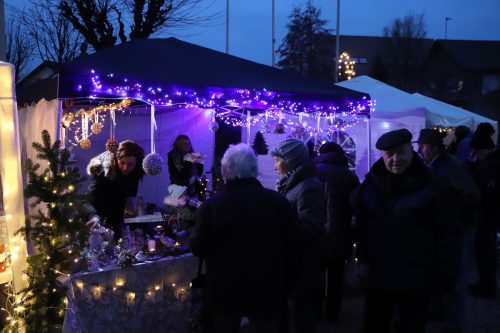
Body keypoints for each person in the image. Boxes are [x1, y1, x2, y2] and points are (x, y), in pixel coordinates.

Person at [352, 128, 463, 333]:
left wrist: (446, 273)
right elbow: (361, 223)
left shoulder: (434, 185)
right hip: (379, 276)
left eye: (401, 152)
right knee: (375, 324)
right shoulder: (372, 183)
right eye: (389, 154)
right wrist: (362, 259)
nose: (396, 159)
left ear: (412, 151)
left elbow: (450, 232)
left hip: (416, 276)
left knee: (410, 326)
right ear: (382, 155)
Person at [190, 143, 297, 333]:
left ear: (225, 171)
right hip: (267, 287)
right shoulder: (277, 202)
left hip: (224, 290)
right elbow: (293, 244)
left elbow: (198, 247)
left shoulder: (211, 207)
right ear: (255, 171)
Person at [417, 128, 480, 333]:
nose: (420, 149)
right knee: (441, 269)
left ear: (434, 148)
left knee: (456, 275)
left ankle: (455, 323)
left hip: (460, 228)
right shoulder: (434, 165)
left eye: (423, 146)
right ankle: (438, 310)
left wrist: (452, 215)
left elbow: (469, 196)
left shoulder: (451, 166)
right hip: (445, 228)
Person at [271, 138, 326, 333]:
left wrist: (279, 222)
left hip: (303, 267)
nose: (275, 165)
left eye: (277, 160)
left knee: (301, 320)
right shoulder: (292, 184)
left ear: (290, 161)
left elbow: (311, 229)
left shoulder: (307, 187)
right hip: (294, 265)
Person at [315, 142, 360, 322]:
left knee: (317, 276)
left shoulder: (313, 170)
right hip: (342, 234)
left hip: (317, 233)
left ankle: (316, 312)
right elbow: (356, 206)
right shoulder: (350, 176)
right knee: (336, 278)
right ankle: (332, 313)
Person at [82, 140, 145, 241]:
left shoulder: (135, 173)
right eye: (122, 162)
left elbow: (131, 192)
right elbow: (87, 200)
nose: (125, 168)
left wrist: (131, 198)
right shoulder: (104, 172)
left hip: (116, 217)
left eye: (130, 164)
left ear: (137, 164)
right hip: (97, 216)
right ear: (116, 159)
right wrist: (93, 216)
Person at [467, 135, 500, 299]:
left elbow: (476, 186)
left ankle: (487, 286)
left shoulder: (490, 166)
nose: (475, 155)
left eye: (477, 152)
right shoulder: (493, 163)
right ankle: (488, 283)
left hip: (487, 213)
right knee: (488, 250)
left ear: (484, 150)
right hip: (492, 213)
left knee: (483, 250)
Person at [167, 134, 204, 199]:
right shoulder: (173, 157)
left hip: (193, 190)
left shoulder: (191, 155)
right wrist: (189, 162)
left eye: (189, 143)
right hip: (179, 191)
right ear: (179, 145)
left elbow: (199, 174)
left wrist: (200, 162)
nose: (188, 145)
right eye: (185, 143)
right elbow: (181, 176)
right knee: (184, 208)